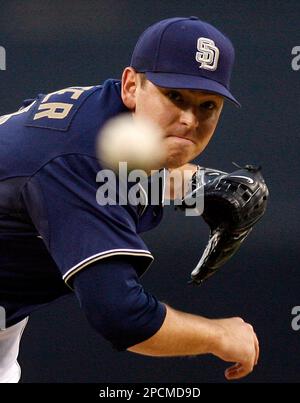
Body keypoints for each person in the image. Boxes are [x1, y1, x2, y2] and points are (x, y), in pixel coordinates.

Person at [0, 16, 259, 383]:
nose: (189, 119)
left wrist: (192, 186)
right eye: (175, 96)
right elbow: (121, 317)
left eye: (207, 106)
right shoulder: (79, 162)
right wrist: (219, 335)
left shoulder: (105, 114)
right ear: (131, 86)